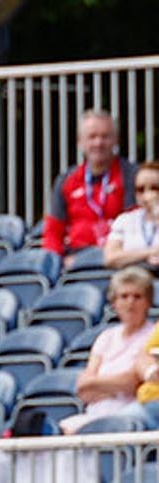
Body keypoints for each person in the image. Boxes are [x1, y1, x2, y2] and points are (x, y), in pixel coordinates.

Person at [64, 267, 157, 431]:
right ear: (114, 303)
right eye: (124, 296)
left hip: (131, 417)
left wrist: (100, 385)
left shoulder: (152, 334)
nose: (130, 303)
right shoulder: (106, 337)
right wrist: (117, 386)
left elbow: (133, 382)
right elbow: (83, 387)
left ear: (148, 302)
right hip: (93, 415)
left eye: (137, 297)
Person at [43, 111, 129, 257]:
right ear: (80, 142)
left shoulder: (131, 175)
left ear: (116, 140)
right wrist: (58, 262)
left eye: (105, 136)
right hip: (76, 259)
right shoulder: (66, 180)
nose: (98, 142)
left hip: (119, 257)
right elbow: (53, 231)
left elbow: (138, 222)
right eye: (92, 137)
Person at [103, 161, 159, 270]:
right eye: (140, 189)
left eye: (154, 188)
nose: (147, 194)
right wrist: (152, 252)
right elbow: (110, 258)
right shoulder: (125, 220)